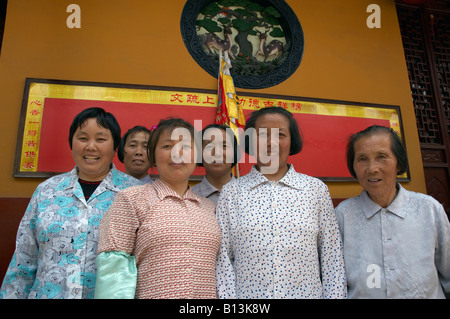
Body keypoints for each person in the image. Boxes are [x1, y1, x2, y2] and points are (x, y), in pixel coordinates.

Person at [0, 107, 141, 299]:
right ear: (71, 143)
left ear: (115, 146)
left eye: (100, 139)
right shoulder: (46, 191)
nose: (91, 147)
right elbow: (23, 261)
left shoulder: (135, 193)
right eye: (83, 138)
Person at [215, 106, 347, 299]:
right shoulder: (232, 192)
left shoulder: (315, 190)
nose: (271, 143)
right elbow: (223, 262)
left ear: (292, 141)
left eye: (281, 135)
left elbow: (332, 256)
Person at [94, 118, 221, 299]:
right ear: (152, 155)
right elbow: (113, 270)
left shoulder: (210, 208)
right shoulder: (131, 199)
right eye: (167, 146)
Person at [335, 125, 450, 298]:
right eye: (362, 159)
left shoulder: (429, 209)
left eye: (382, 157)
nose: (372, 168)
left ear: (398, 162)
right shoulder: (342, 216)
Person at [192, 123, 240, 204]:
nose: (217, 153)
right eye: (209, 146)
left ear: (234, 153)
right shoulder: (190, 197)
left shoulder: (252, 196)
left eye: (224, 146)